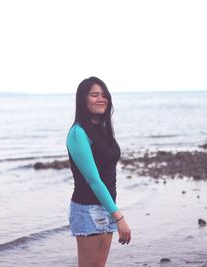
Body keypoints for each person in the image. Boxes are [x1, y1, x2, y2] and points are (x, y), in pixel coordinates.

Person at [66, 76, 131, 267]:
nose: (101, 98)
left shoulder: (102, 129)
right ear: (83, 100)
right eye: (94, 94)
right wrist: (119, 216)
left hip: (105, 205)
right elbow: (94, 180)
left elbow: (108, 171)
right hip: (88, 209)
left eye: (104, 95)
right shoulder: (78, 133)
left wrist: (112, 210)